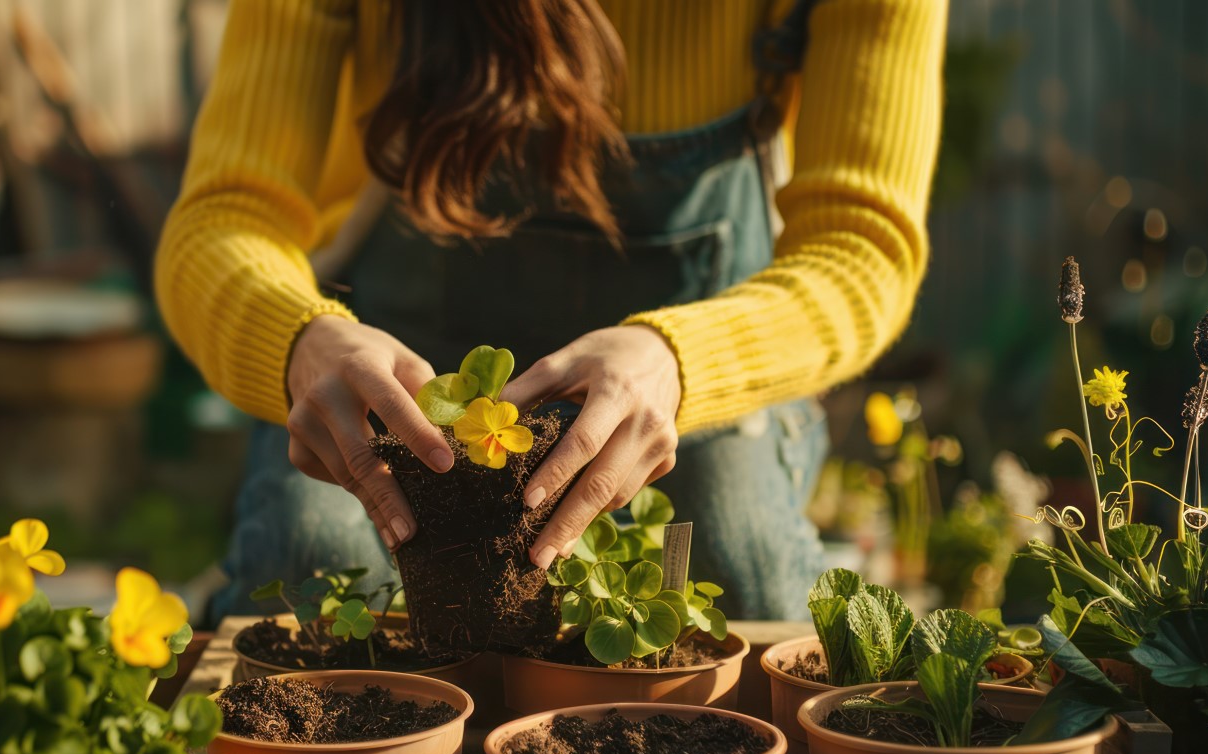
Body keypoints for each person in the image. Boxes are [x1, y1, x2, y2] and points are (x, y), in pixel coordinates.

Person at [156, 0, 946, 622]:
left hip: (686, 386)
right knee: (310, 560)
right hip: (405, 385)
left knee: (736, 564)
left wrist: (679, 360)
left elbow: (861, 248)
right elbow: (222, 218)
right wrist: (302, 341)